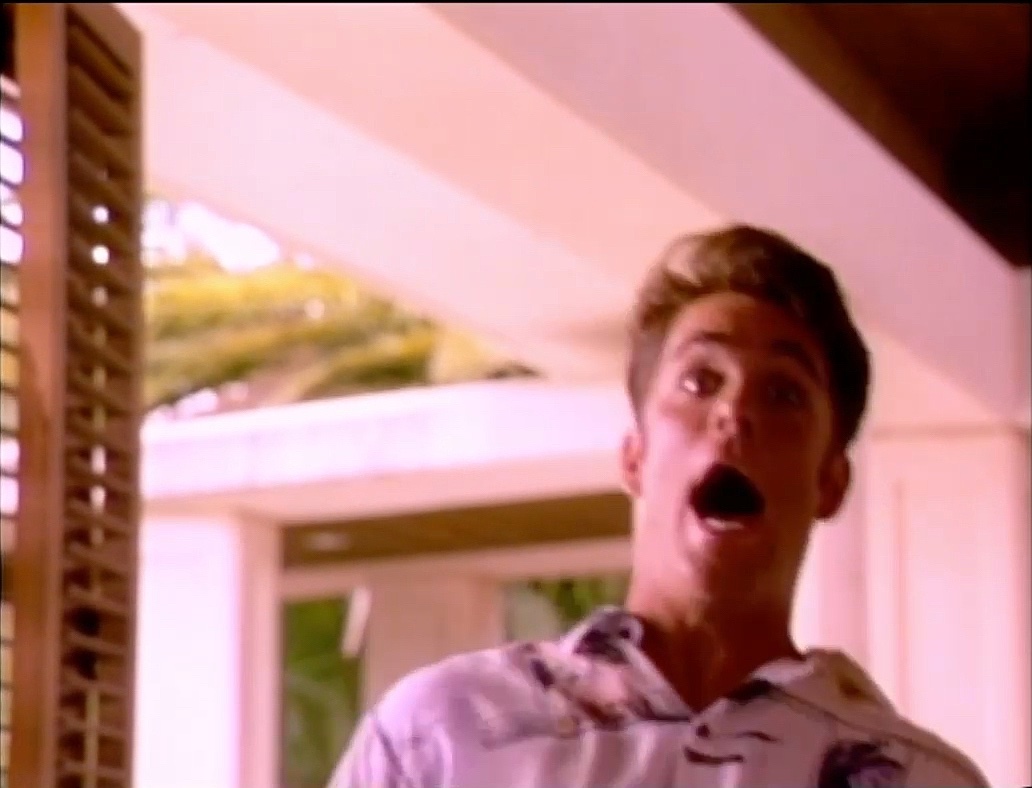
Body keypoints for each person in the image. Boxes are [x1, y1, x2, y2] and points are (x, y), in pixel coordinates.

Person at [328, 226, 989, 787]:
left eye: (784, 394)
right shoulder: (440, 734)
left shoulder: (918, 777)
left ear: (830, 482)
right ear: (635, 457)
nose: (734, 413)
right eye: (700, 381)